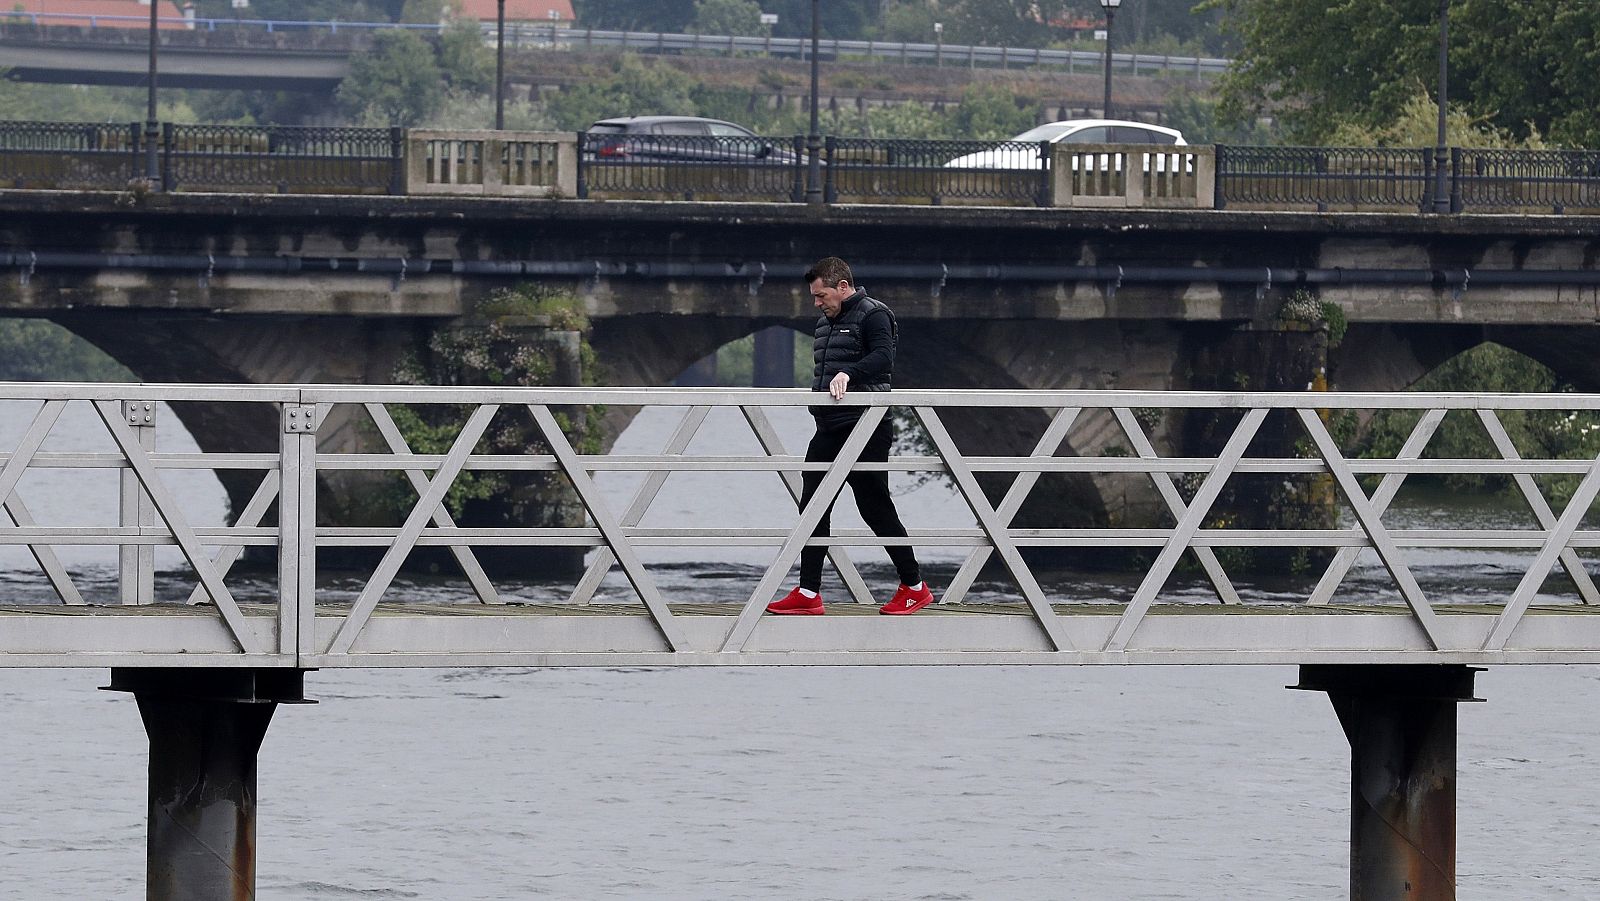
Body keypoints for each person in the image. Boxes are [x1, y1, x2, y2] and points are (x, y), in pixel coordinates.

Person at [766, 257, 936, 616]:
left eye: (821, 295)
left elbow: (883, 358)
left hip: (866, 426)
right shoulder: (826, 322)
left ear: (843, 286)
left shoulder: (874, 314)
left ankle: (914, 586)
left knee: (874, 506)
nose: (817, 302)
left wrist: (849, 372)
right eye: (814, 296)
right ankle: (809, 592)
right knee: (812, 503)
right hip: (829, 426)